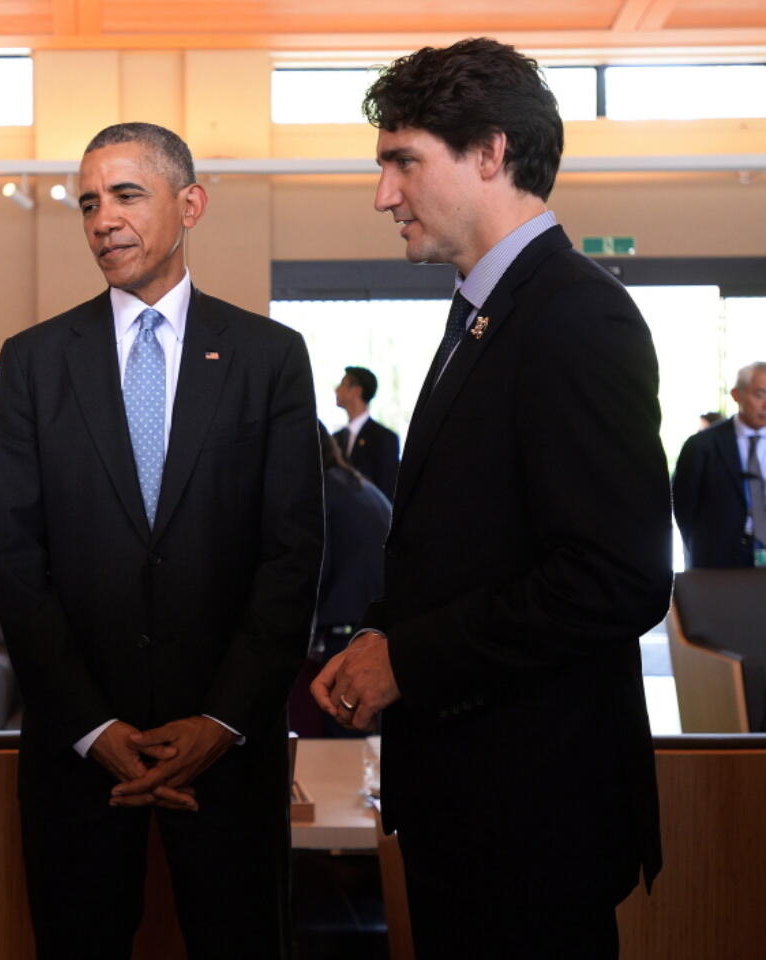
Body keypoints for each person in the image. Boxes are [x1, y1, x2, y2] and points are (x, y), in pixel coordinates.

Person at [310, 39, 672, 959]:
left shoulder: (574, 314)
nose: (383, 194)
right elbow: (469, 538)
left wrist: (410, 659)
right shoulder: (482, 308)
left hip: (534, 815)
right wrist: (379, 638)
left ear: (490, 154)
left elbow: (616, 578)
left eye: (403, 161)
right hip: (474, 803)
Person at [0, 122, 323, 958]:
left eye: (127, 195)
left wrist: (222, 720)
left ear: (191, 204)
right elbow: (19, 562)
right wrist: (94, 728)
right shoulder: (31, 363)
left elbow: (293, 556)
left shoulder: (269, 357)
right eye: (89, 202)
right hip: (77, 757)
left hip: (227, 750)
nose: (103, 219)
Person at [288, 422, 391, 738]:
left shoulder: (323, 492)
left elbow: (314, 569)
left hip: (349, 630)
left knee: (341, 732)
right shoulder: (353, 483)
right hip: (376, 622)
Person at [673, 361, 766, 568]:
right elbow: (684, 507)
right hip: (718, 562)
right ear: (736, 395)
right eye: (760, 395)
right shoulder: (702, 446)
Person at [333, 365, 400, 499]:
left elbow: (386, 491)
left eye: (343, 384)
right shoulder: (335, 439)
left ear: (356, 391)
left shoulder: (384, 438)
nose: (336, 389)